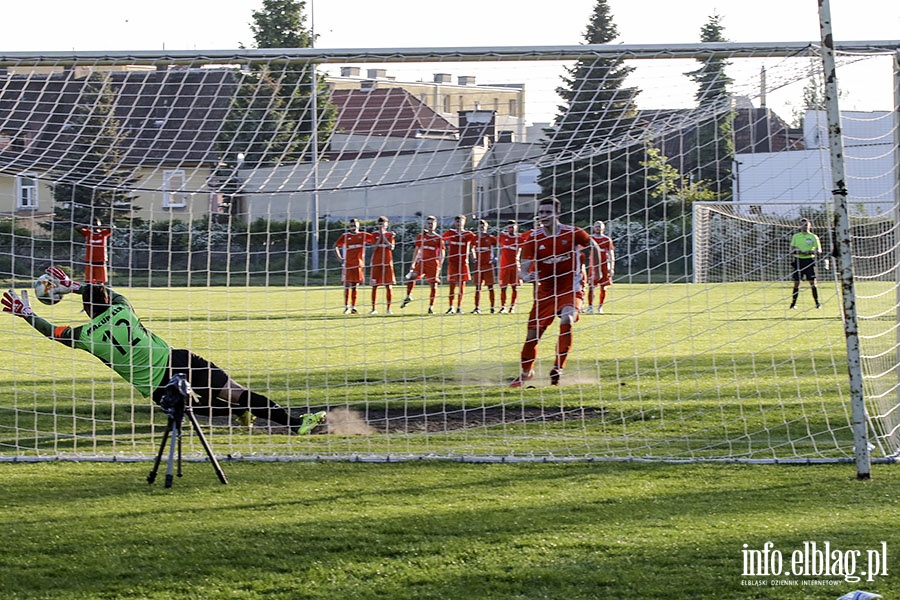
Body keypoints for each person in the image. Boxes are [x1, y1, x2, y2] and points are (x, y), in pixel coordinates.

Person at [2, 267, 326, 434]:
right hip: (178, 359)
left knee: (201, 412)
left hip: (159, 389)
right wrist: (71, 286)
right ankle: (294, 422)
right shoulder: (123, 308)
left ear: (86, 312)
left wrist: (27, 314)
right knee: (234, 391)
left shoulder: (85, 335)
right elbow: (105, 293)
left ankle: (242, 414)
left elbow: (53, 333)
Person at [510, 198, 600, 388]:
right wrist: (526, 275)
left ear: (557, 214)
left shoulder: (573, 232)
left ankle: (558, 368)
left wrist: (597, 271)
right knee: (532, 336)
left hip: (571, 288)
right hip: (545, 292)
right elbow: (524, 265)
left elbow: (595, 247)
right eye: (541, 212)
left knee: (567, 320)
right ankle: (527, 373)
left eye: (548, 212)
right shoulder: (534, 237)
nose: (544, 216)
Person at [401, 215, 445, 314]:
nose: (430, 225)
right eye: (428, 223)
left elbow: (442, 252)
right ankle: (409, 296)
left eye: (432, 223)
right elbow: (417, 250)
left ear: (435, 225)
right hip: (422, 262)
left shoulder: (438, 238)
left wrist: (440, 265)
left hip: (433, 263)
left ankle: (431, 307)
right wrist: (413, 263)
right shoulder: (421, 236)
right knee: (411, 276)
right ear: (426, 224)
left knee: (433, 285)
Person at [442, 215, 477, 314]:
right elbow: (441, 239)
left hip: (463, 263)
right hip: (452, 263)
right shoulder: (451, 232)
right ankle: (451, 307)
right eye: (457, 222)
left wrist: (473, 255)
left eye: (460, 221)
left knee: (462, 286)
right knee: (452, 285)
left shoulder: (468, 234)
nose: (459, 223)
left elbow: (476, 242)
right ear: (455, 222)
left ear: (464, 222)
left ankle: (459, 307)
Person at [334, 218, 368, 314]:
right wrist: (340, 258)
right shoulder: (345, 236)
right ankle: (346, 306)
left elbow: (375, 238)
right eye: (352, 226)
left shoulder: (363, 235)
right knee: (347, 285)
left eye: (355, 226)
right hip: (347, 265)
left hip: (358, 265)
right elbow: (335, 246)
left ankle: (354, 307)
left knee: (355, 286)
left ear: (358, 226)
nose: (353, 228)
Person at [789, 218, 822, 310]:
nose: (805, 226)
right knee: (796, 283)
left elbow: (819, 250)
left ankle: (817, 304)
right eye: (803, 224)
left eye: (807, 224)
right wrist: (796, 251)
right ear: (800, 226)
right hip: (798, 261)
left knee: (812, 283)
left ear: (810, 226)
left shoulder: (813, 237)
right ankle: (793, 304)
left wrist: (811, 251)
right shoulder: (796, 236)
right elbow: (791, 250)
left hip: (809, 261)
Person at [585, 220, 615, 314]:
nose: (598, 228)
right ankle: (590, 307)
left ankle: (600, 307)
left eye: (600, 226)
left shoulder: (607, 239)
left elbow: (611, 254)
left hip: (604, 265)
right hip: (593, 264)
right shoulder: (590, 238)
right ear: (593, 227)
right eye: (596, 226)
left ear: (603, 228)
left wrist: (612, 267)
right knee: (592, 286)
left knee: (604, 287)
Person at [368, 216, 396, 314]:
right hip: (376, 262)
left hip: (387, 262)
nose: (381, 226)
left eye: (383, 224)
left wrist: (384, 236)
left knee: (388, 285)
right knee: (374, 285)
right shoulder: (374, 235)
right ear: (377, 225)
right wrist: (380, 236)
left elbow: (391, 247)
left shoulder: (390, 235)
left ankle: (389, 308)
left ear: (387, 225)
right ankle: (373, 309)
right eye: (380, 224)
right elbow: (374, 248)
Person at [471, 220, 497, 314]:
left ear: (486, 227)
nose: (482, 229)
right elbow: (472, 248)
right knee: (478, 287)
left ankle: (492, 307)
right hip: (478, 266)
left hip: (488, 265)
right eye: (480, 227)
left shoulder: (491, 238)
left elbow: (500, 246)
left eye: (483, 227)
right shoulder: (475, 239)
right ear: (478, 228)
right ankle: (477, 308)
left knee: (490, 287)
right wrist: (473, 257)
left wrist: (496, 258)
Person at [76, 218, 113, 283]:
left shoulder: (104, 233)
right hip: (89, 259)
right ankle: (89, 292)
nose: (95, 226)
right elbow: (77, 227)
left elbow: (112, 227)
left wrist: (101, 227)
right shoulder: (88, 233)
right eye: (93, 224)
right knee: (88, 281)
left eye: (96, 224)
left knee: (100, 281)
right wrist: (87, 226)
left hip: (101, 260)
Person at [497, 220, 522, 314]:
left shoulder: (519, 238)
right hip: (504, 266)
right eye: (509, 227)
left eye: (513, 227)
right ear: (507, 228)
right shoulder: (503, 237)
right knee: (503, 287)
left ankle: (512, 307)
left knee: (514, 287)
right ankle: (503, 306)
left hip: (515, 266)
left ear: (516, 227)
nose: (511, 229)